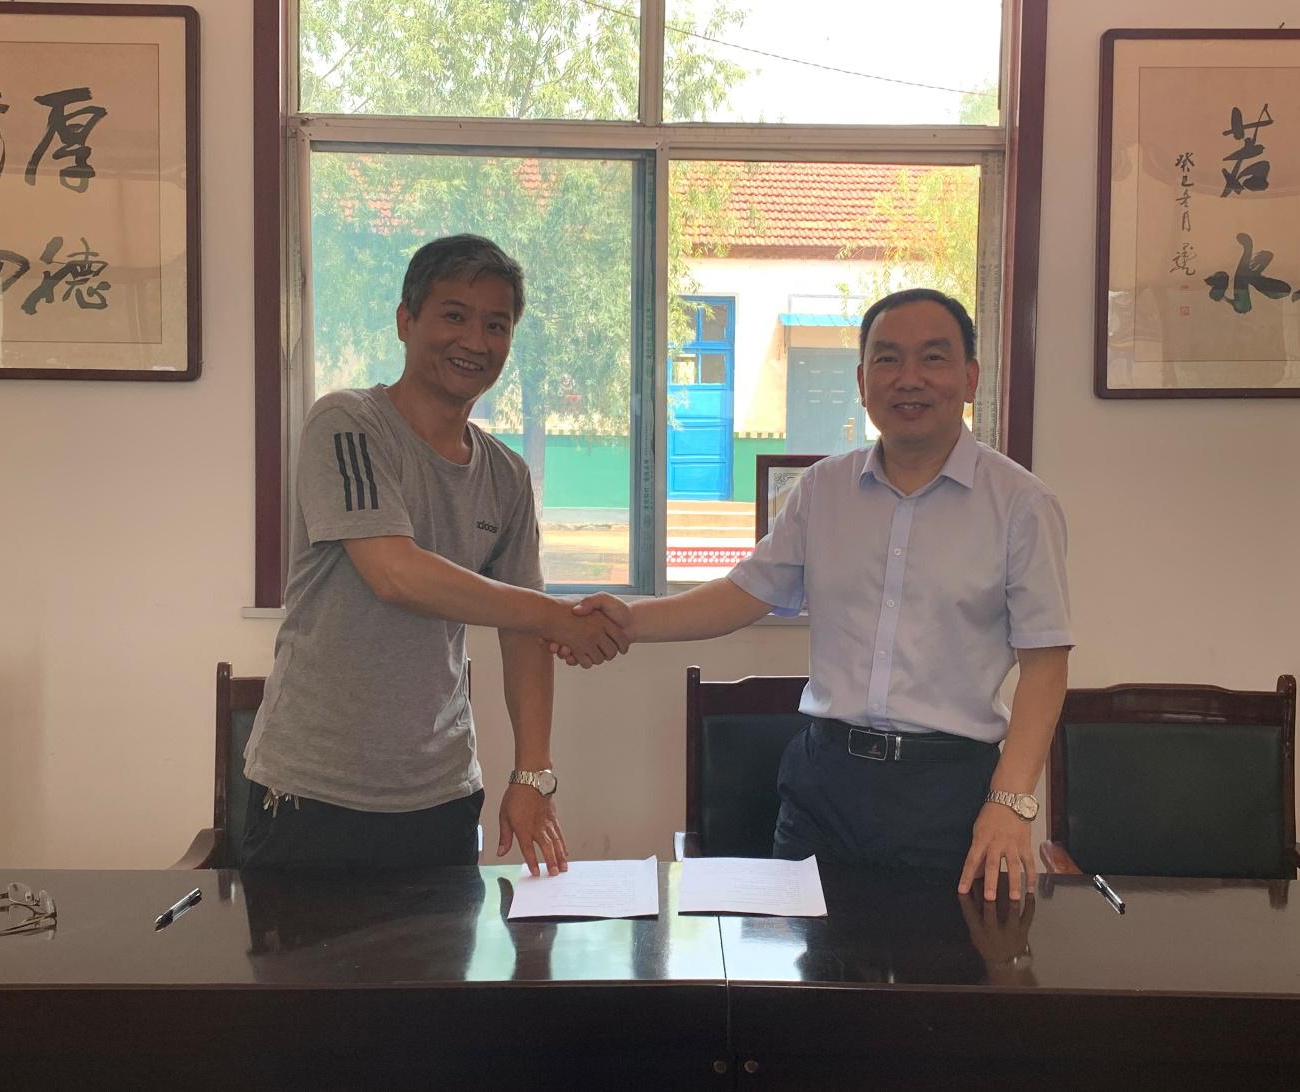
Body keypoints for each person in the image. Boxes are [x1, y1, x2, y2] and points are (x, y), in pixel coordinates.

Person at [564, 288, 1072, 899]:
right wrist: (629, 621)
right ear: (862, 381)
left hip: (953, 794)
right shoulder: (823, 490)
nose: (908, 378)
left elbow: (1046, 665)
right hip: (825, 785)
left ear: (970, 378)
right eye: (887, 359)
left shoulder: (1021, 506)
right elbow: (743, 594)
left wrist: (1012, 802)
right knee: (809, 957)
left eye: (933, 358)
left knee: (951, 959)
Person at [242, 234, 627, 875]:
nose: (474, 341)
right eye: (454, 315)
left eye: (495, 325)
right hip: (311, 792)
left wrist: (533, 775)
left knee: (447, 950)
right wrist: (555, 615)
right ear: (406, 320)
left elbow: (523, 633)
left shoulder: (506, 475)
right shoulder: (346, 423)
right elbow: (394, 573)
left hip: (442, 796)